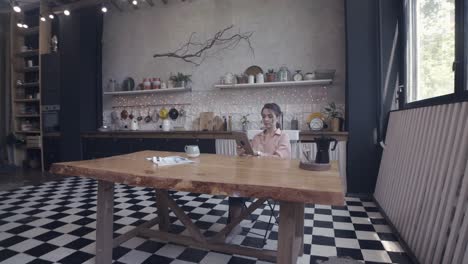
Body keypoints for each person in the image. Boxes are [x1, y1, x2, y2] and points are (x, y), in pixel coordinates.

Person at [226, 103, 291, 242]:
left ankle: (288, 235)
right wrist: (242, 154)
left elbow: (280, 159)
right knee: (235, 189)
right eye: (263, 116)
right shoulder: (256, 137)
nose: (266, 119)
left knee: (238, 190)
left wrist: (259, 154)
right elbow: (250, 160)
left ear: (278, 117)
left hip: (275, 181)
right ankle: (234, 226)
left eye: (270, 116)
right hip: (255, 179)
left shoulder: (283, 137)